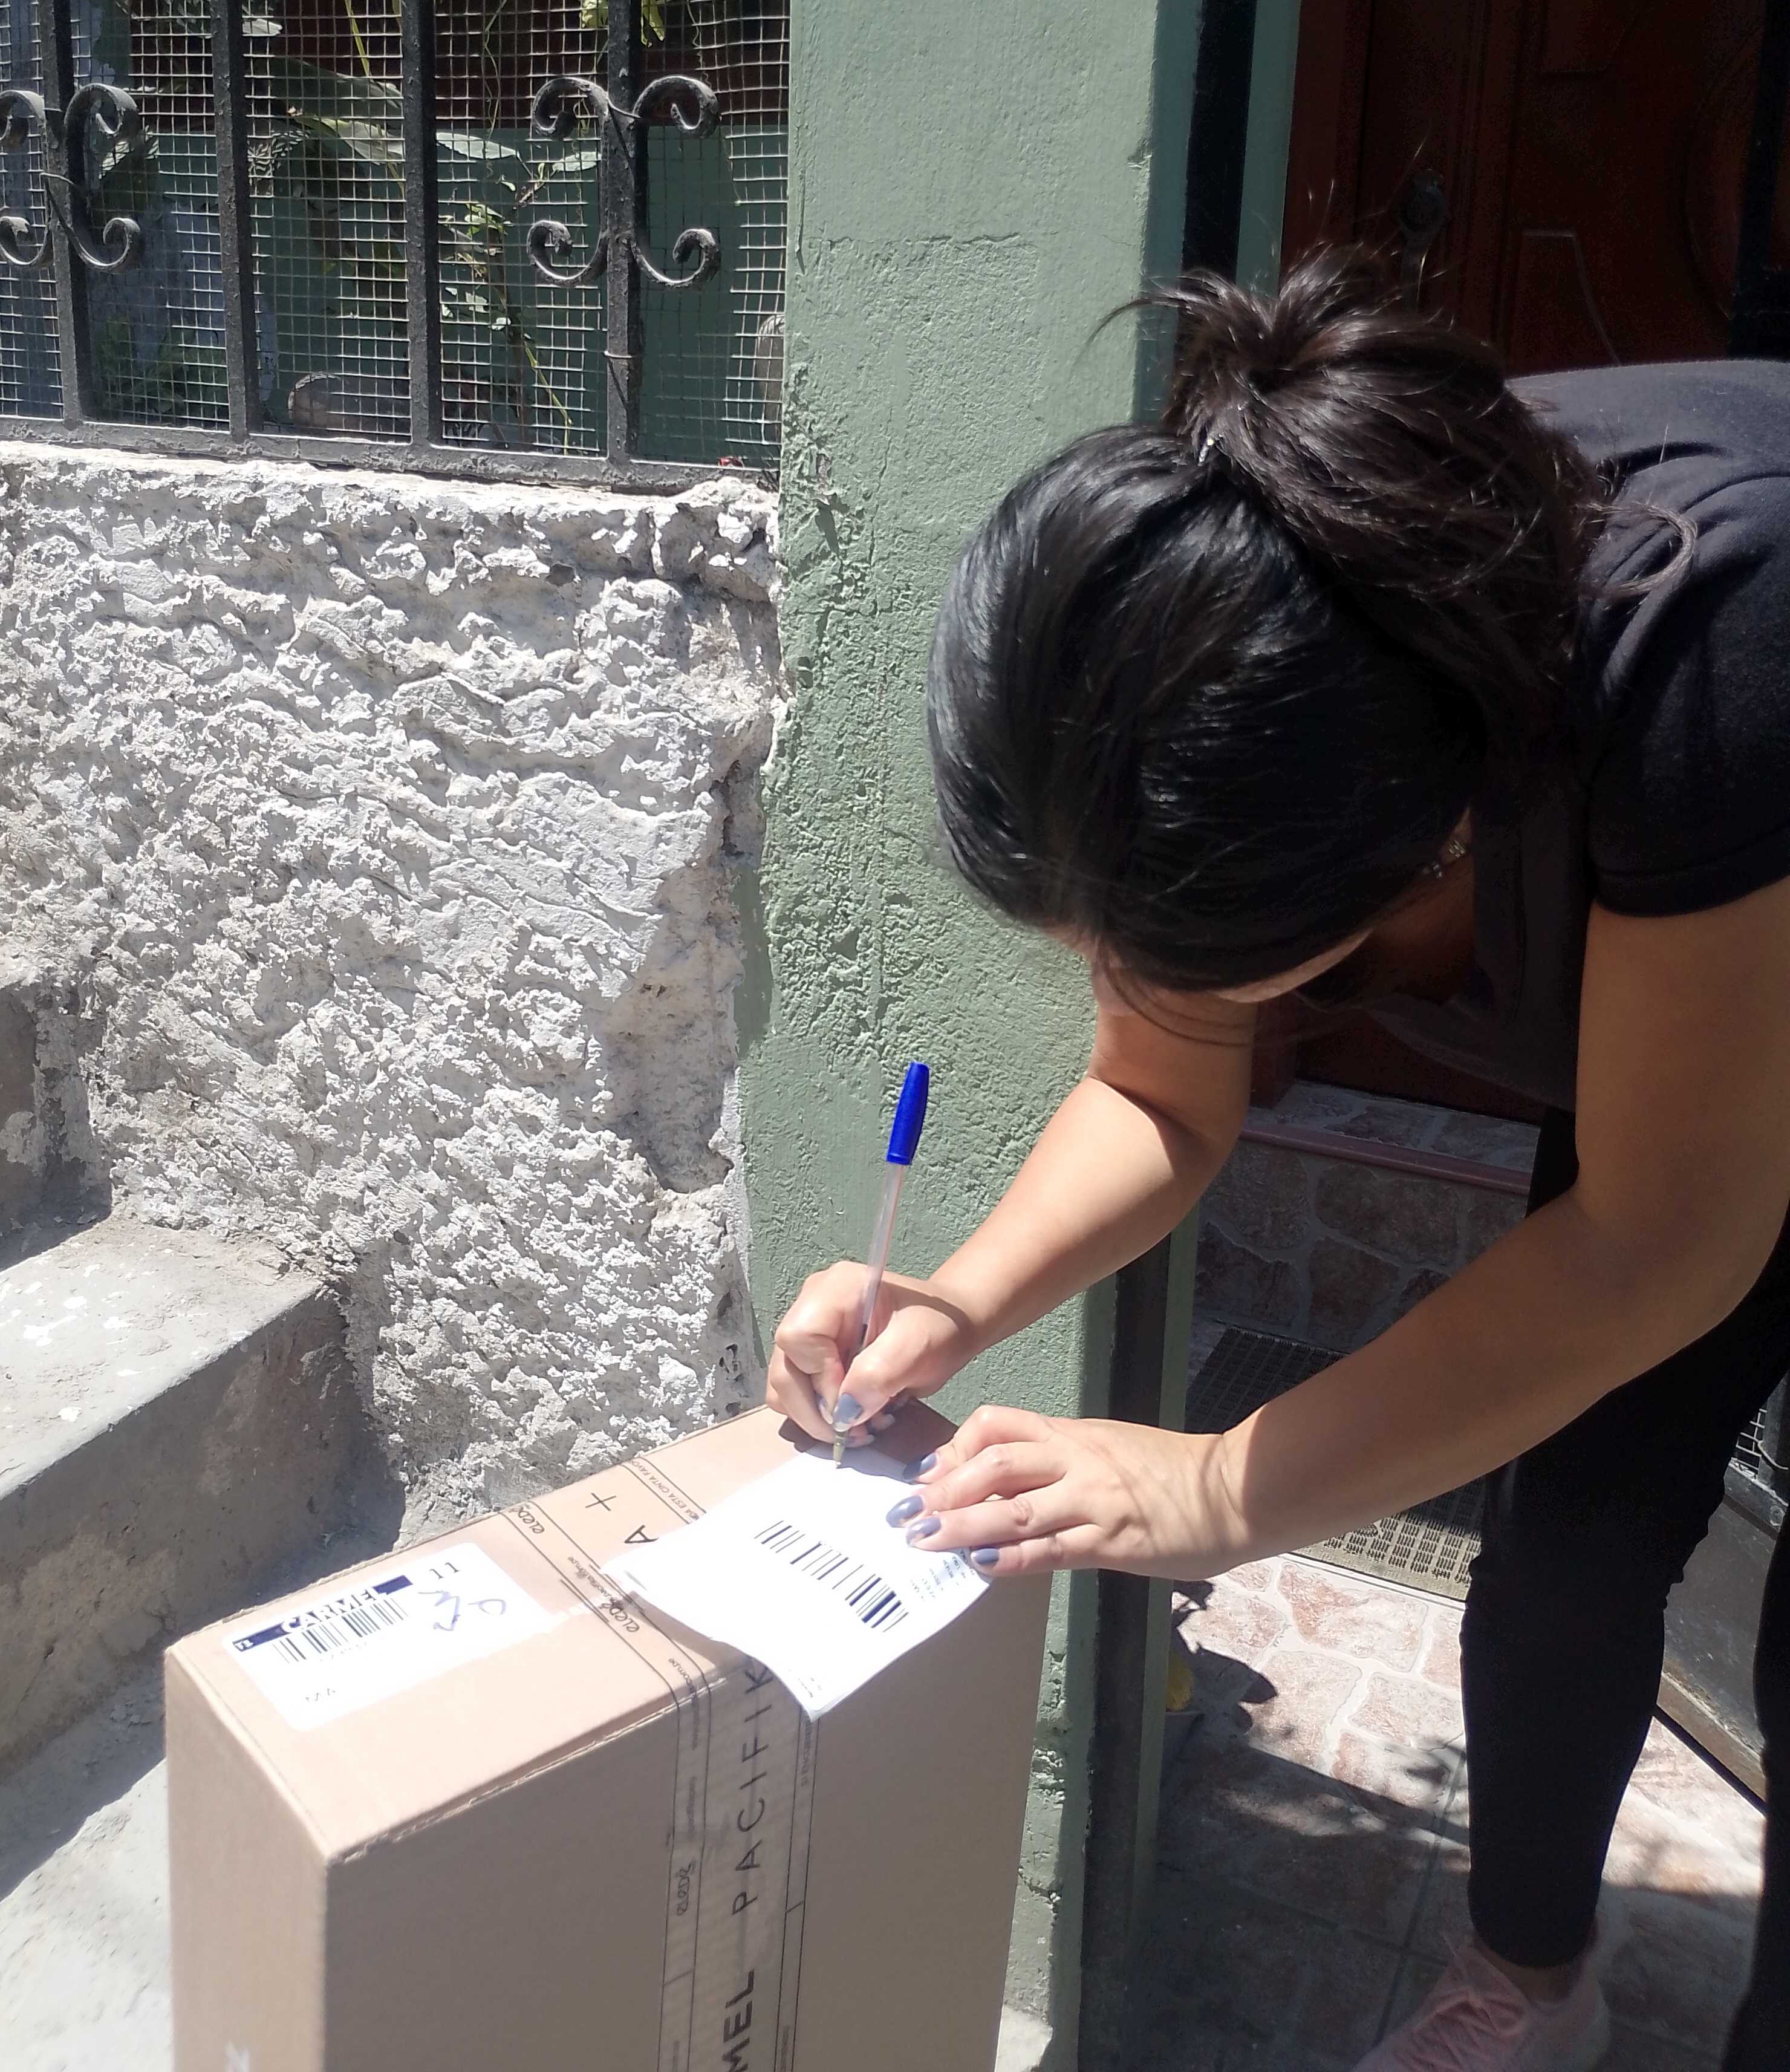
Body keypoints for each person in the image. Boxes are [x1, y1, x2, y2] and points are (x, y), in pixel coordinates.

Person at [766, 250, 1790, 2072]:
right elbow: (1163, 1100)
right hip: (1682, 1029)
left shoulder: (1705, 626)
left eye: (1161, 947)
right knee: (1570, 1527)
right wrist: (956, 1300)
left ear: (1417, 856)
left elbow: (1661, 1239)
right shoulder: (1240, 664)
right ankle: (1534, 1983)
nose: (1124, 980)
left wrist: (1218, 1486)